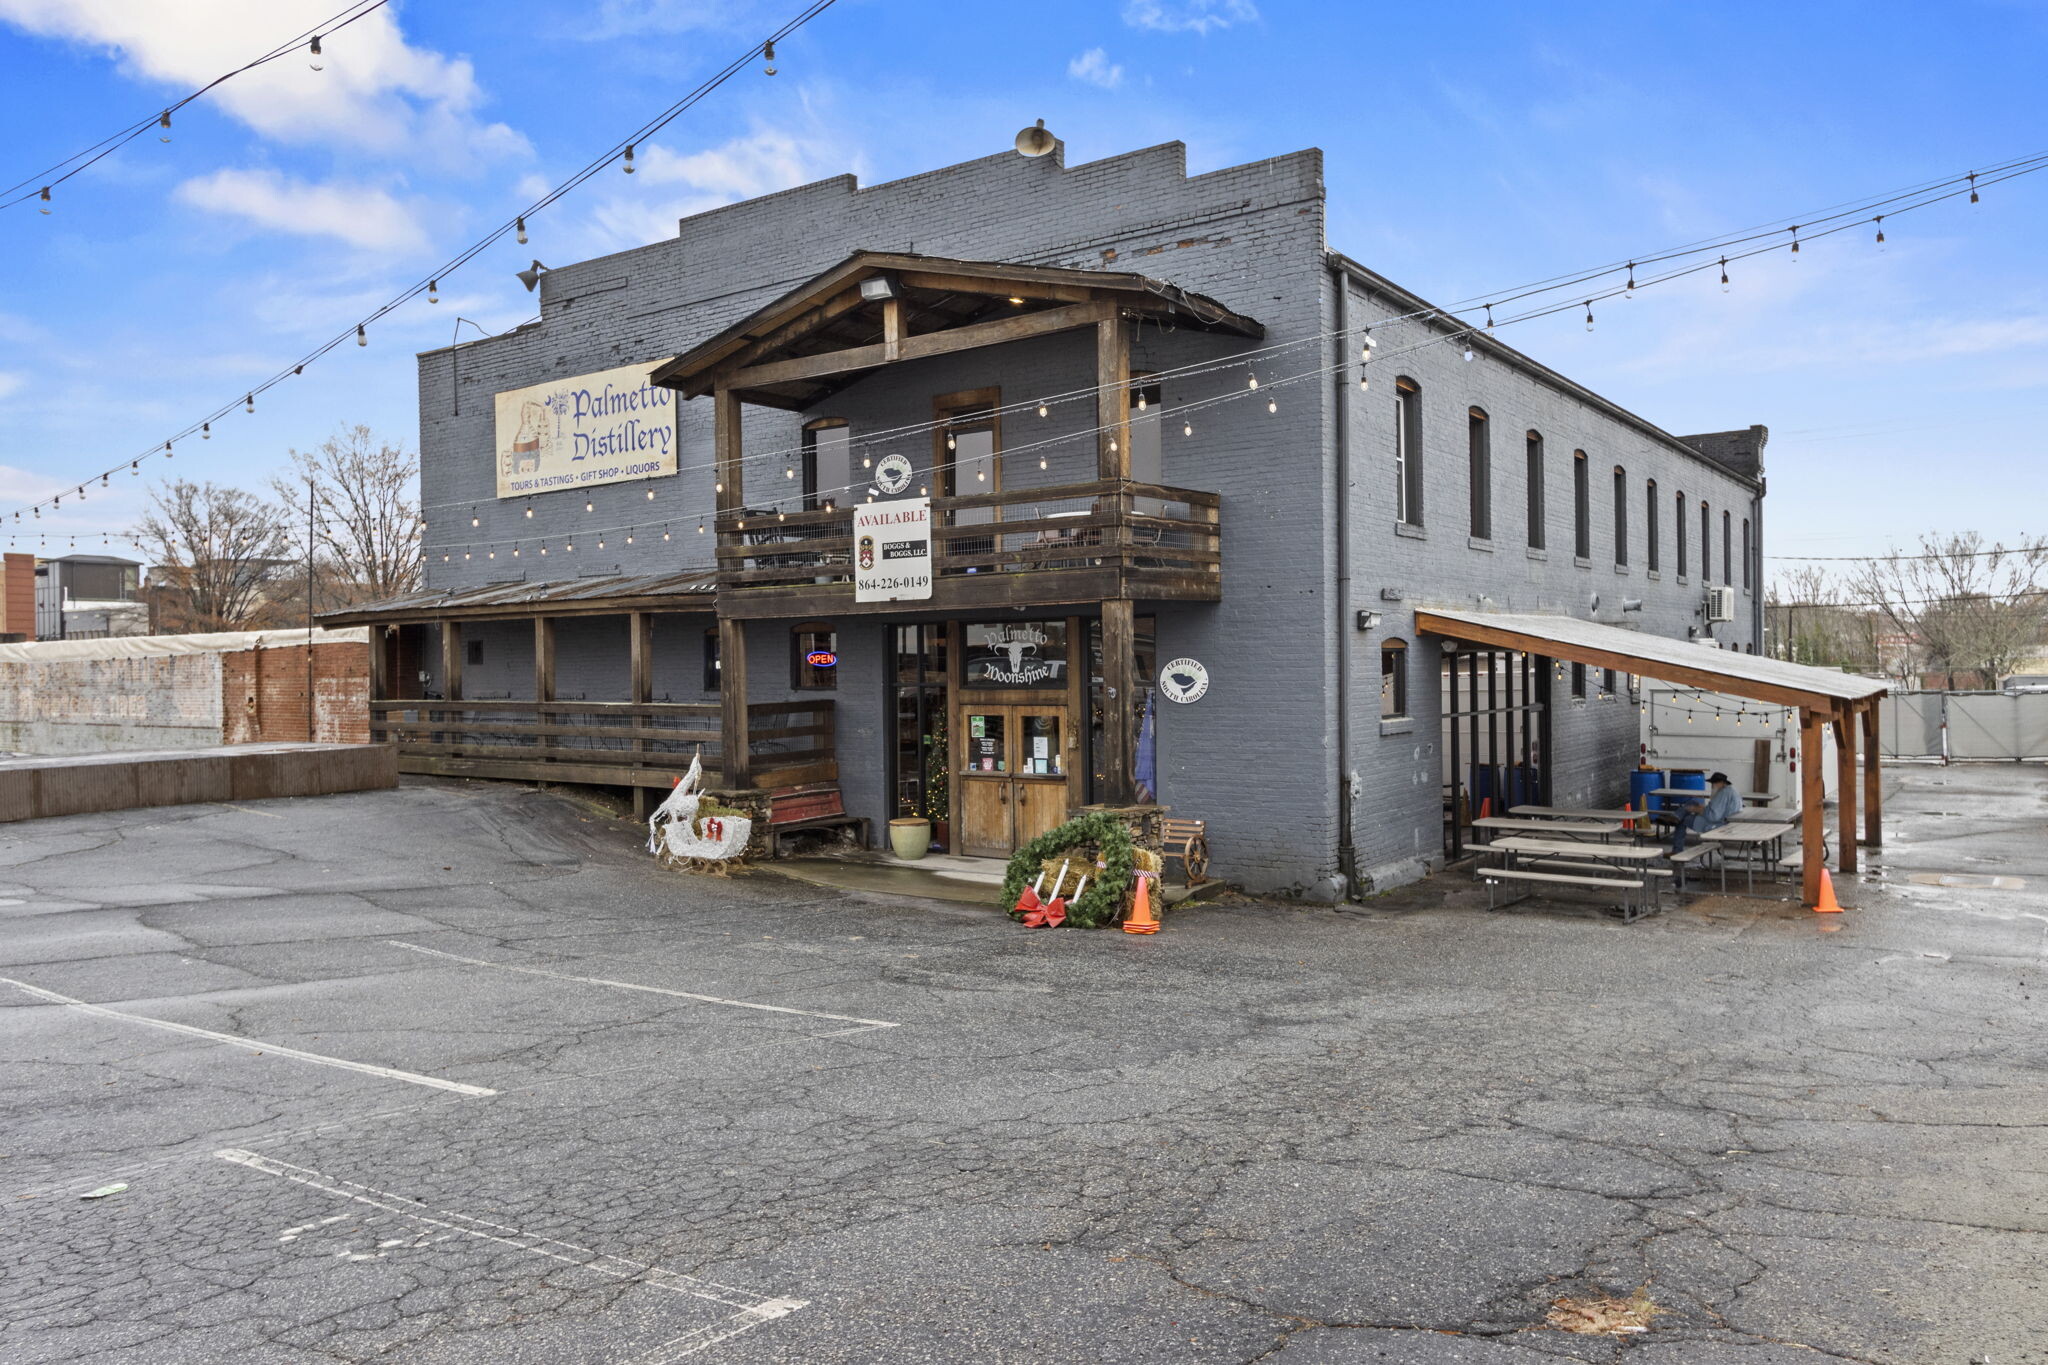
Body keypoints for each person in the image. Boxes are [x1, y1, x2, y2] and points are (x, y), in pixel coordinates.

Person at [1668, 772, 1741, 856]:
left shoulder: (1722, 793)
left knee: (1682, 820)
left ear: (1721, 783)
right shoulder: (1731, 790)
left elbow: (1713, 816)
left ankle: (1677, 850)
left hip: (1719, 824)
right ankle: (1675, 816)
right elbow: (1717, 810)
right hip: (1727, 822)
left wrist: (1699, 810)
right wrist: (1702, 809)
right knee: (1693, 802)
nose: (1712, 786)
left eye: (1714, 783)